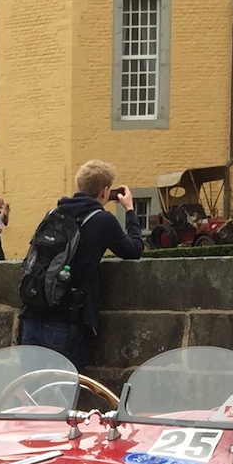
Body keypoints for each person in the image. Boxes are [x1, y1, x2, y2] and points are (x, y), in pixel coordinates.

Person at [15, 159, 143, 375]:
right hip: (66, 322)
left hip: (32, 317)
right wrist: (130, 210)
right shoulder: (102, 221)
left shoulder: (54, 214)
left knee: (30, 393)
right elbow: (134, 250)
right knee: (63, 396)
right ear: (105, 191)